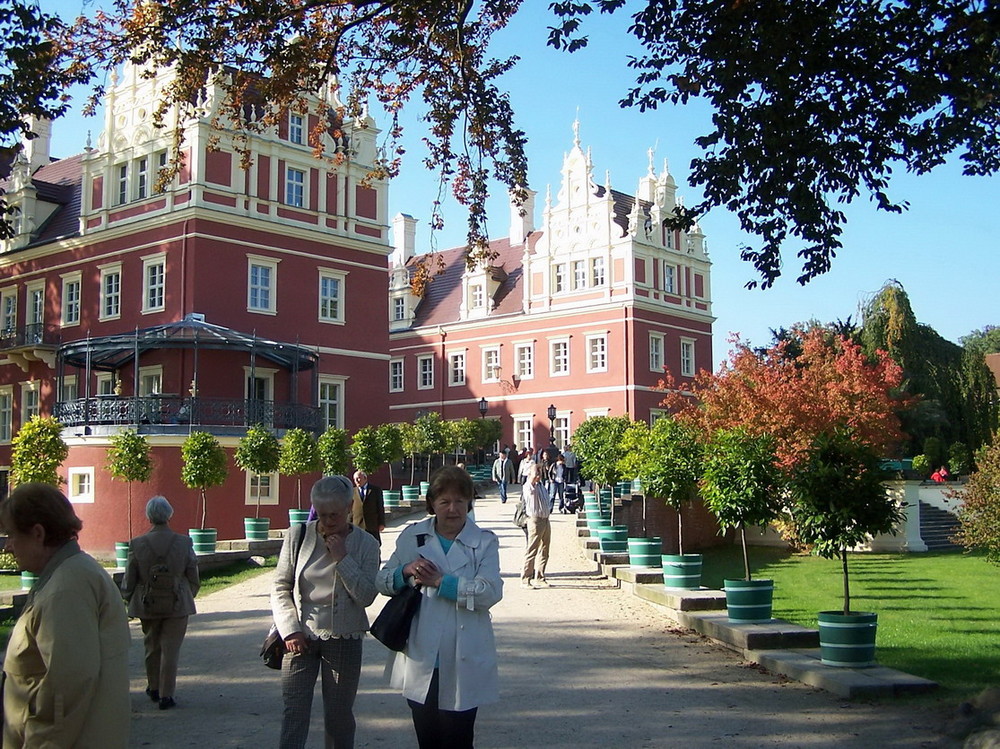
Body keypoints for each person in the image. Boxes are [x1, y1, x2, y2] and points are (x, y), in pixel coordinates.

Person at [376, 465, 502, 749]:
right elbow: (382, 581)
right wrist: (405, 571)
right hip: (422, 656)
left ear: (469, 502)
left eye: (460, 501)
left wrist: (442, 582)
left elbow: (490, 592)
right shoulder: (412, 536)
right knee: (428, 737)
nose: (453, 509)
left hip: (463, 653)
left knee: (458, 739)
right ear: (432, 503)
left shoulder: (484, 542)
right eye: (444, 501)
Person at [0, 482, 130, 747]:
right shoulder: (72, 574)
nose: (7, 547)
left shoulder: (66, 588)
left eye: (12, 535)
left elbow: (67, 688)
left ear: (38, 533)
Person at [272, 475, 380, 749]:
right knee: (293, 711)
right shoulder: (298, 536)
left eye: (334, 514)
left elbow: (366, 596)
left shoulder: (367, 545)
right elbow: (280, 586)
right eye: (322, 514)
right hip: (299, 638)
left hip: (344, 636)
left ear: (348, 508)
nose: (328, 521)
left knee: (339, 716)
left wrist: (343, 558)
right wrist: (290, 628)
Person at [122, 495, 200, 710]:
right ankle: (167, 695)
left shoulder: (137, 544)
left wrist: (129, 597)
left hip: (148, 601)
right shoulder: (184, 542)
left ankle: (153, 687)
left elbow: (130, 578)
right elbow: (193, 574)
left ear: (148, 516)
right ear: (169, 514)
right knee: (171, 650)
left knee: (151, 646)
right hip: (177, 601)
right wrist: (187, 594)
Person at [521, 462, 552, 589]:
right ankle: (526, 579)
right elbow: (533, 476)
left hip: (545, 520)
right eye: (536, 473)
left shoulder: (541, 486)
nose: (538, 475)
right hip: (535, 520)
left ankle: (540, 576)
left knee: (545, 549)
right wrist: (535, 467)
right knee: (532, 550)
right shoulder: (529, 486)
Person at [351, 469, 386, 545]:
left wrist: (381, 523)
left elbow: (380, 507)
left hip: (371, 525)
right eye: (355, 479)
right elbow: (350, 510)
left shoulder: (375, 490)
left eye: (358, 478)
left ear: (365, 478)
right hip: (357, 525)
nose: (356, 481)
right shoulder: (352, 492)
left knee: (374, 545)